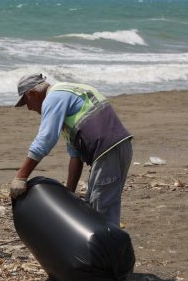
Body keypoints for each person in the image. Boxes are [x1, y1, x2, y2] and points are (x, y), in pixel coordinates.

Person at [9, 74, 132, 225]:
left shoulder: (53, 98)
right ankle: (106, 245)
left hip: (108, 150)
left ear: (33, 94)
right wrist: (69, 195)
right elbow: (75, 156)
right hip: (117, 148)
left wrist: (21, 176)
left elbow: (45, 139)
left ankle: (108, 247)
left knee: (101, 214)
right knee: (97, 205)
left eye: (27, 102)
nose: (29, 108)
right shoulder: (67, 93)